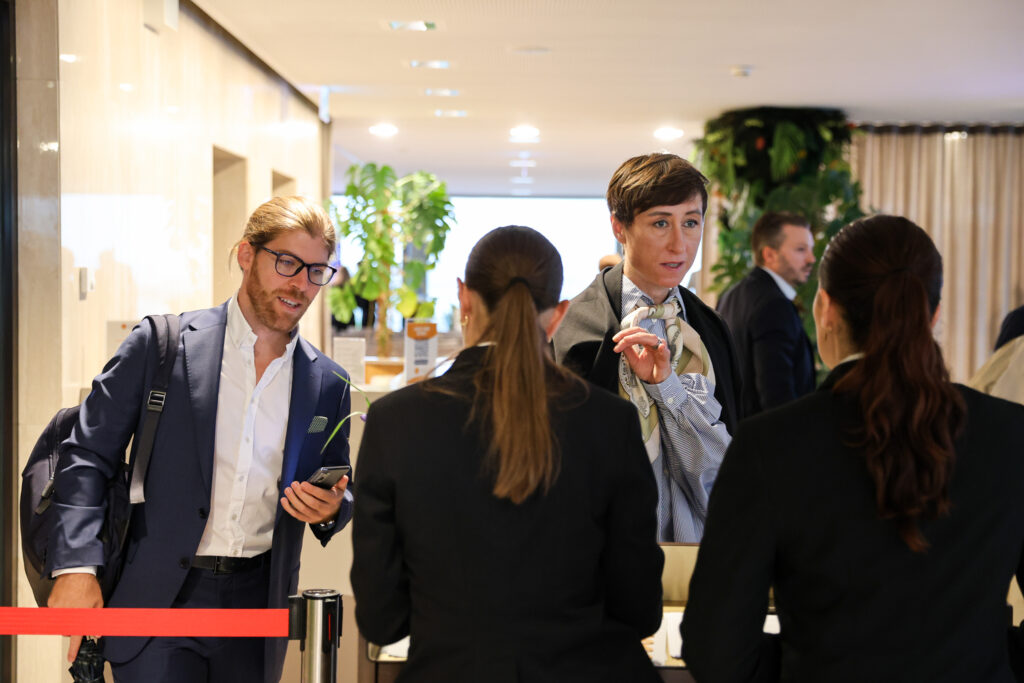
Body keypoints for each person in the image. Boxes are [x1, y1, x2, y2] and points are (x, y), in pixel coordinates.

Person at [681, 215, 1024, 682]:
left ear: (825, 308)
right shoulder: (1011, 434)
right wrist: (988, 657)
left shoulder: (770, 444)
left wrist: (804, 661)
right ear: (934, 315)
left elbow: (714, 649)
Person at [47, 196, 355, 683]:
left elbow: (338, 482)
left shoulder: (329, 383)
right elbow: (86, 453)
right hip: (158, 598)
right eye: (288, 262)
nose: (301, 284)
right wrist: (76, 566)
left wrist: (332, 509)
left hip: (258, 606)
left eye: (317, 271)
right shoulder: (162, 345)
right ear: (247, 255)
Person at [351, 225, 665, 682]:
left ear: (464, 298)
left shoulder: (395, 422)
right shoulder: (610, 422)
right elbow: (639, 610)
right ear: (558, 314)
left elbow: (382, 619)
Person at [553, 153, 741, 543]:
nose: (679, 244)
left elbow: (735, 457)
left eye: (691, 222)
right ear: (619, 228)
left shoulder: (711, 329)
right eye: (660, 223)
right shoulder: (576, 328)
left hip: (704, 548)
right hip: (604, 552)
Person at [717, 211, 817, 416]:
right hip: (769, 434)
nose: (811, 259)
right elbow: (777, 400)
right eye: (801, 249)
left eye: (811, 249)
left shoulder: (729, 296)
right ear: (769, 255)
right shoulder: (775, 305)